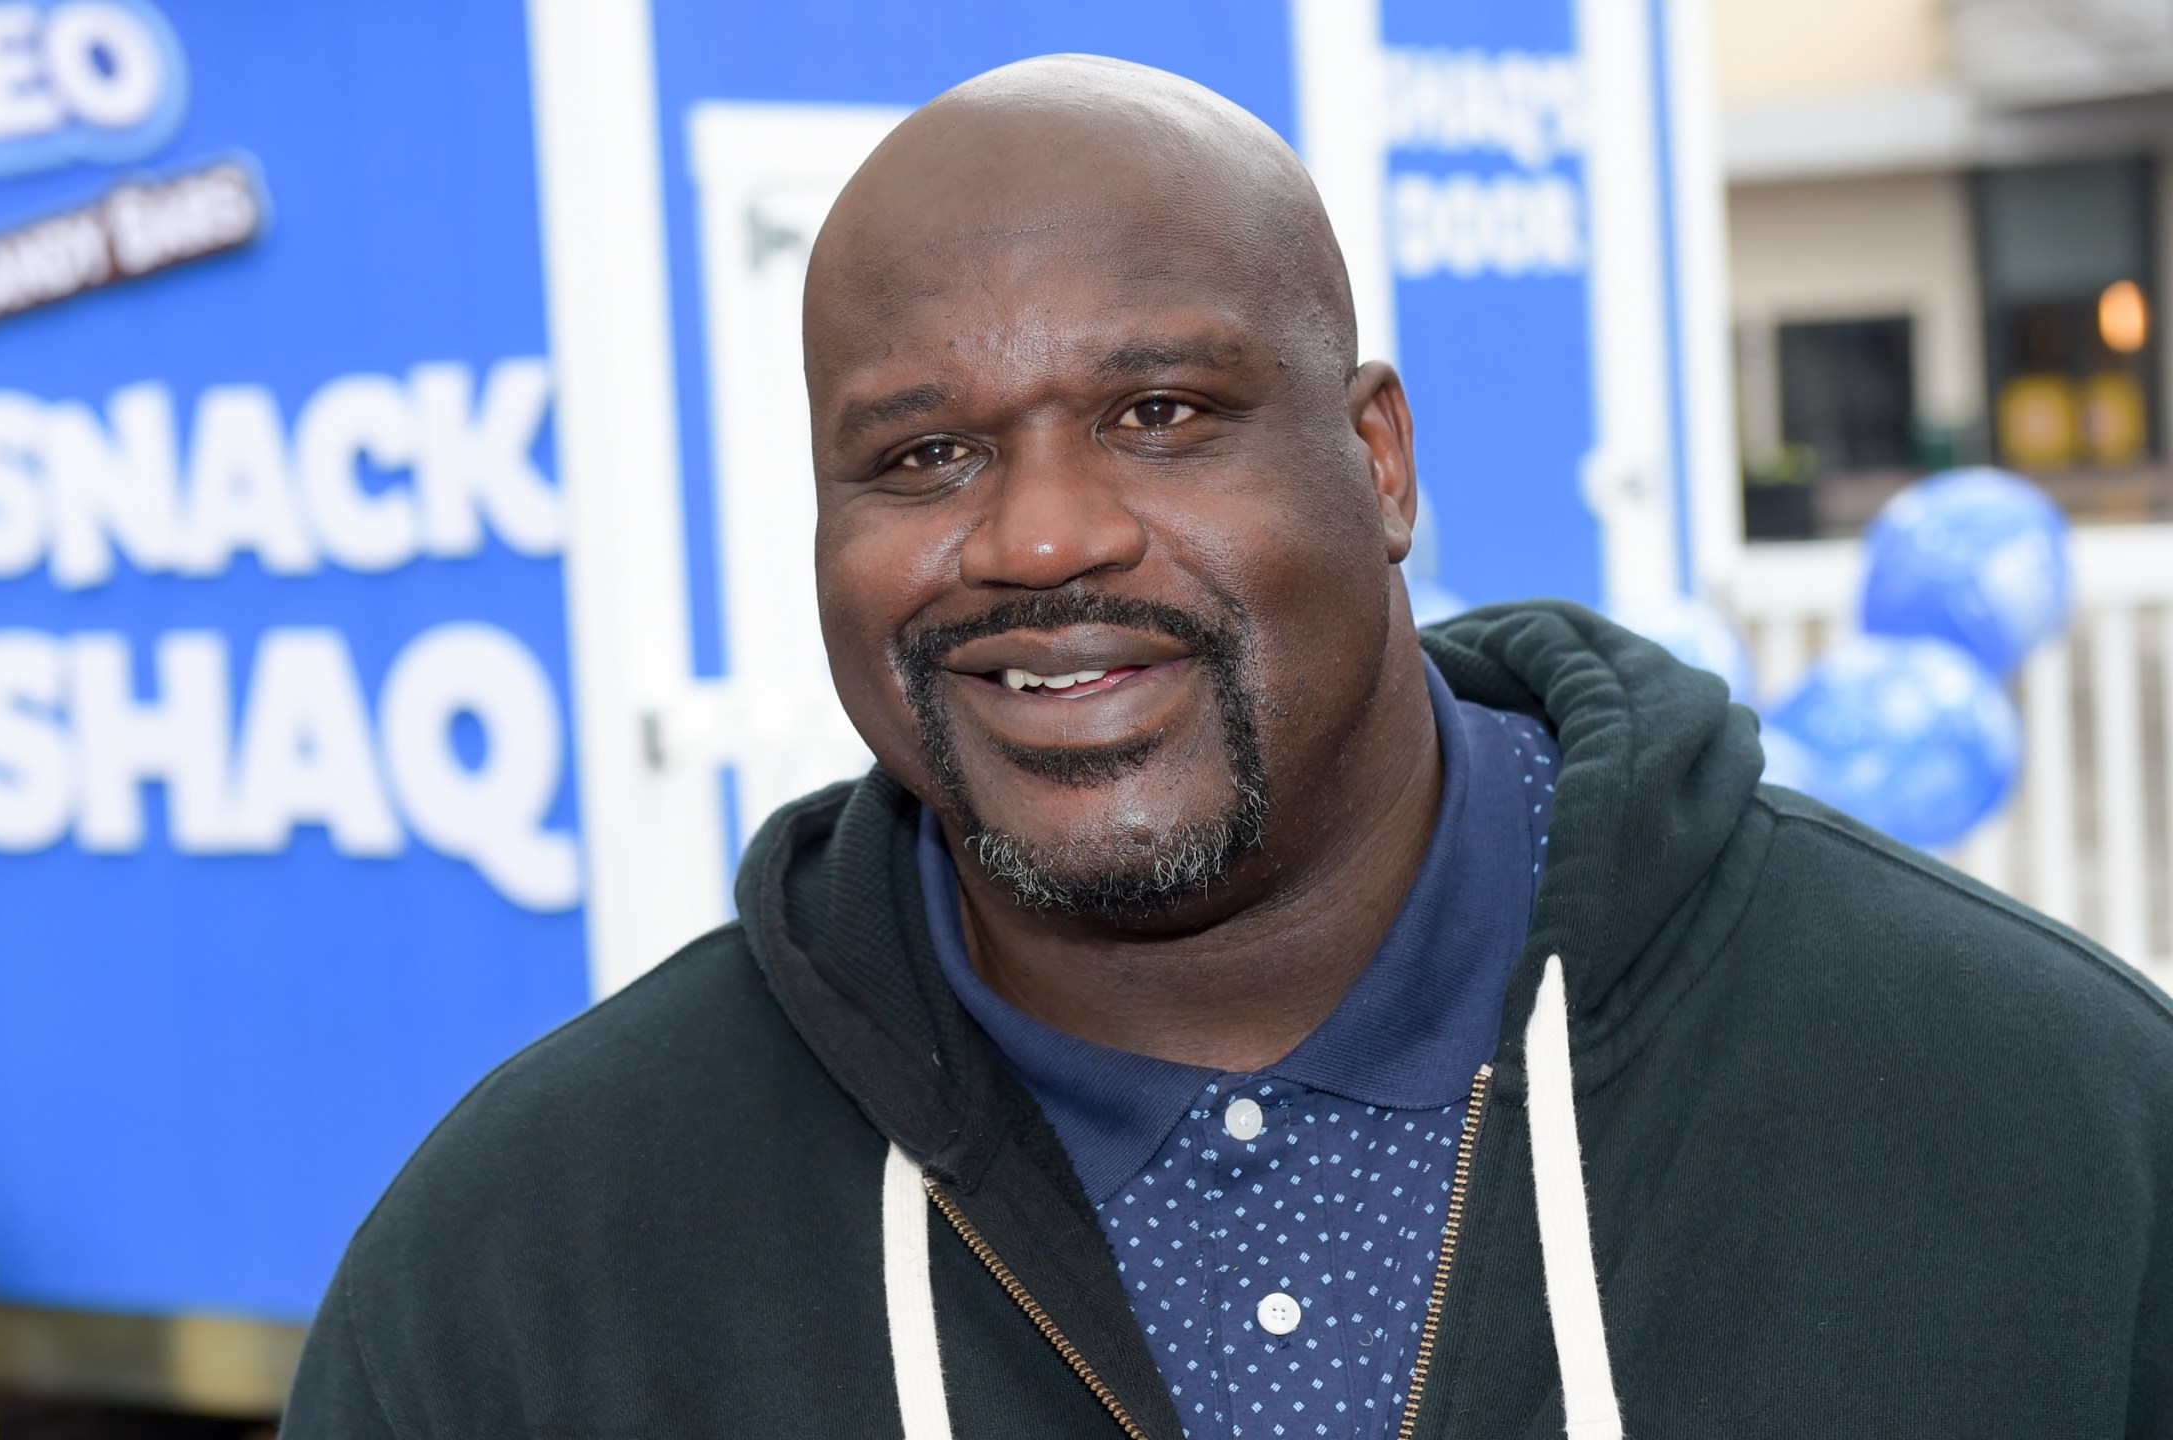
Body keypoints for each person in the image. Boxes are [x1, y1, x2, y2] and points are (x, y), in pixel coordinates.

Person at [280, 56, 2173, 1440]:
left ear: (1380, 459)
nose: (1038, 538)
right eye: (923, 455)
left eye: (1162, 411)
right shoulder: (523, 1274)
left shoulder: (2044, 1120)